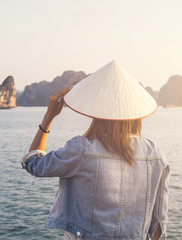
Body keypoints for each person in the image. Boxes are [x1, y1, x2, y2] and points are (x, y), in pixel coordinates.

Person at [21, 61, 170, 240]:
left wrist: (48, 117)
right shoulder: (156, 156)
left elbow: (33, 164)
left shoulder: (81, 149)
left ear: (97, 111)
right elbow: (159, 225)